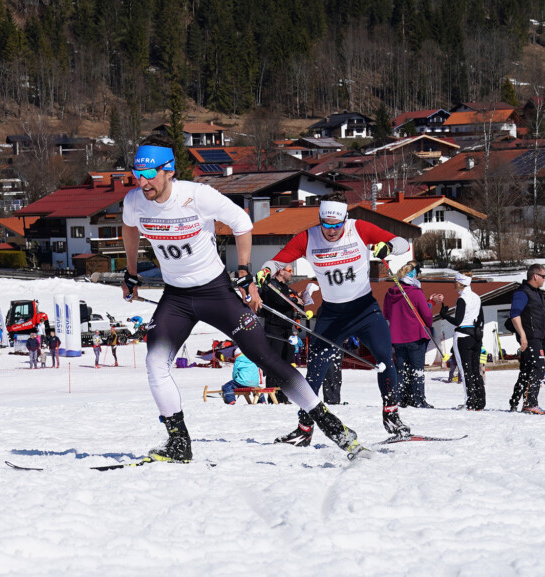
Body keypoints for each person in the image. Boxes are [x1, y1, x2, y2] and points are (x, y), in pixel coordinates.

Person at [122, 135, 363, 462]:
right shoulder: (134, 201)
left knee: (266, 357)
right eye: (137, 174)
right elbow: (129, 228)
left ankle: (331, 424)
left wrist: (245, 271)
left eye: (149, 174)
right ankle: (179, 443)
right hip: (176, 297)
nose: (143, 181)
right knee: (155, 363)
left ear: (169, 171)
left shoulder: (196, 195)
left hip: (214, 292)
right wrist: (131, 273)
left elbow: (241, 222)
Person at [257, 190, 412, 444]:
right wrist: (265, 270)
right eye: (326, 225)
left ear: (345, 219)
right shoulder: (309, 237)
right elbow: (278, 261)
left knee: (385, 358)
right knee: (315, 371)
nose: (331, 231)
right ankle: (304, 428)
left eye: (336, 225)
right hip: (332, 315)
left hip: (364, 310)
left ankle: (392, 416)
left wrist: (388, 246)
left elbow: (403, 243)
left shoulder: (358, 228)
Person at [382, 260, 439, 409]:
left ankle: (402, 398)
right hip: (415, 336)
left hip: (397, 337)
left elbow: (386, 314)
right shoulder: (415, 292)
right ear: (414, 276)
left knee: (402, 370)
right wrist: (429, 319)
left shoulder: (390, 293)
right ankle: (418, 399)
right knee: (417, 370)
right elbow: (426, 315)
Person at [508, 264, 545, 414]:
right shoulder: (522, 293)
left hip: (538, 336)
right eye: (543, 276)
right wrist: (523, 336)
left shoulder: (538, 294)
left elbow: (542, 316)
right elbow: (514, 315)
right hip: (530, 337)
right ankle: (530, 403)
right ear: (535, 276)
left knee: (527, 370)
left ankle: (514, 402)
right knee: (539, 367)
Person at [258, 264, 307, 404]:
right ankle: (273, 397)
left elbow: (293, 303)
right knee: (275, 363)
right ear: (280, 271)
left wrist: (299, 298)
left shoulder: (287, 288)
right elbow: (280, 300)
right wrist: (294, 300)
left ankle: (284, 396)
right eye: (289, 270)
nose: (292, 273)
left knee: (287, 363)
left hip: (287, 329)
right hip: (274, 328)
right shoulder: (271, 285)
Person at [440, 272, 485, 411]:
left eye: (455, 281)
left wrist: (444, 316)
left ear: (461, 283)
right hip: (475, 337)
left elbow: (458, 321)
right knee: (475, 370)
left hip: (462, 337)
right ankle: (480, 402)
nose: (453, 283)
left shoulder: (462, 299)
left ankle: (469, 402)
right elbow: (481, 319)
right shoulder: (476, 297)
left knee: (466, 370)